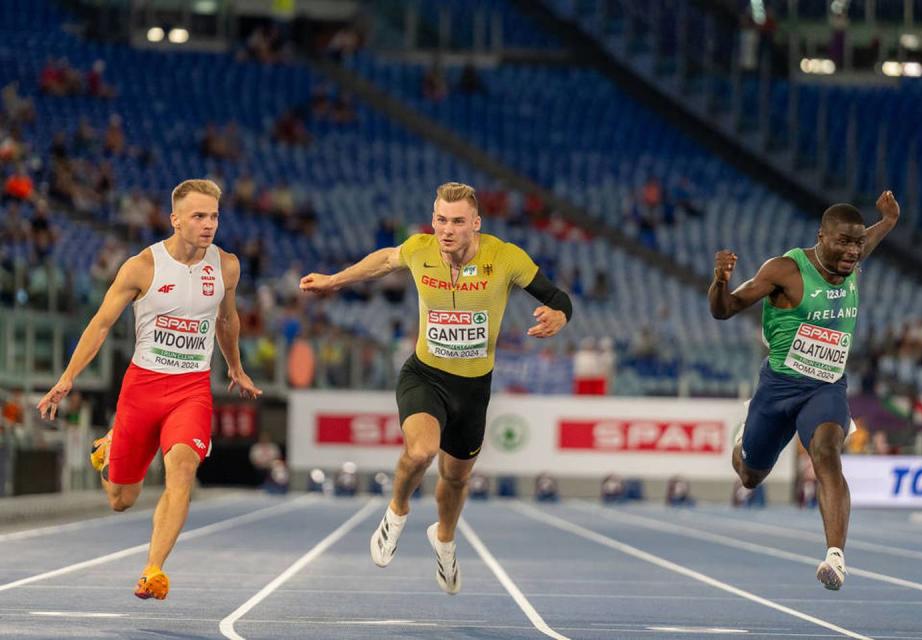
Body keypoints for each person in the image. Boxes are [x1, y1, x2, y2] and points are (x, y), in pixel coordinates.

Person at [300, 182, 572, 594]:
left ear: (475, 224)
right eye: (441, 220)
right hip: (425, 375)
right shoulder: (419, 249)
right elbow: (383, 261)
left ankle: (444, 541)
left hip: (474, 389)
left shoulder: (505, 257)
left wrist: (559, 317)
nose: (447, 230)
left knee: (456, 479)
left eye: (458, 222)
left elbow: (557, 297)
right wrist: (335, 281)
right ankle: (395, 513)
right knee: (422, 451)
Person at [36, 178, 262, 600]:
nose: (208, 224)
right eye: (198, 216)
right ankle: (107, 451)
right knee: (122, 499)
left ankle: (153, 570)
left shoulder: (226, 265)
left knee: (182, 471)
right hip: (142, 387)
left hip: (192, 389)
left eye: (213, 216)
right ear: (175, 220)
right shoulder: (142, 266)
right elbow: (100, 324)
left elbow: (226, 320)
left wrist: (235, 366)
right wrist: (67, 378)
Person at [709, 191, 900, 591]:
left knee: (826, 452)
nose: (853, 252)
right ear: (821, 237)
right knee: (749, 476)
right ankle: (745, 437)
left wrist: (888, 222)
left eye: (858, 244)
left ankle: (835, 557)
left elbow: (869, 239)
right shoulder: (785, 271)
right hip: (779, 387)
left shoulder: (852, 259)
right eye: (844, 243)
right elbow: (724, 309)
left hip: (827, 384)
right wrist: (719, 281)